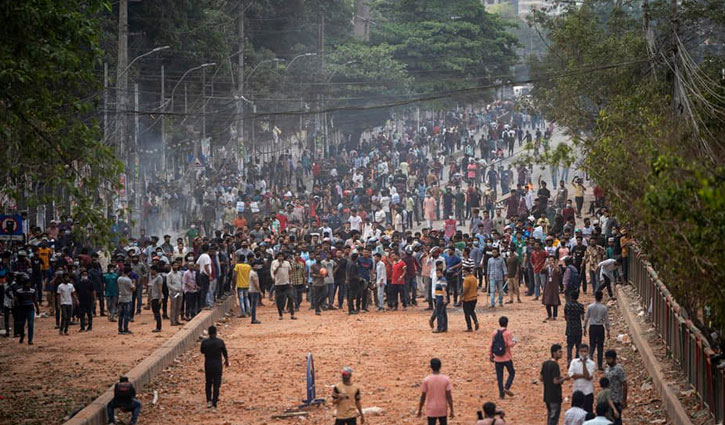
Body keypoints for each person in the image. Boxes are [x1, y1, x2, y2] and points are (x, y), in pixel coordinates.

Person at [417, 358, 454, 424]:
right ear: (440, 366)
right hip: (442, 409)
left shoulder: (427, 380)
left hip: (431, 409)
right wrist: (452, 410)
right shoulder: (446, 379)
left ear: (431, 367)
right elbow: (449, 396)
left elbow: (423, 397)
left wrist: (420, 409)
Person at [200, 325, 229, 410]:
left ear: (208, 333)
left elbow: (202, 351)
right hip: (217, 365)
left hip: (208, 364)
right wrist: (226, 361)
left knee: (208, 382)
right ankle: (214, 402)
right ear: (216, 333)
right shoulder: (220, 342)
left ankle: (208, 400)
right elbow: (225, 352)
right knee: (217, 384)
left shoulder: (205, 342)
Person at [541, 343, 571, 425]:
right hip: (555, 396)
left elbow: (541, 378)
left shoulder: (545, 363)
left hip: (547, 395)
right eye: (559, 352)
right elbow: (555, 381)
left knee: (550, 416)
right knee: (554, 418)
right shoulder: (555, 365)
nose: (561, 353)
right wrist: (565, 378)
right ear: (554, 353)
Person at [489, 316, 516, 399]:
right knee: (512, 372)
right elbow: (510, 344)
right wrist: (515, 341)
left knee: (499, 377)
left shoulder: (494, 332)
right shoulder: (508, 333)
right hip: (507, 357)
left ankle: (501, 395)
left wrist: (490, 355)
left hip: (497, 358)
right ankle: (507, 387)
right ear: (507, 323)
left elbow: (491, 345)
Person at [583, 291, 610, 370]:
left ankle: (589, 362)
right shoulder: (603, 308)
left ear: (595, 297)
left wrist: (584, 327)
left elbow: (586, 318)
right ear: (601, 297)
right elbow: (606, 320)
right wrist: (608, 330)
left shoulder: (590, 307)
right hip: (600, 327)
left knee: (592, 345)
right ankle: (600, 365)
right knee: (600, 347)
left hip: (592, 327)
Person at [568, 344, 596, 414]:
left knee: (588, 413)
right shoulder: (574, 362)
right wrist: (583, 375)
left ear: (588, 352)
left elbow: (588, 377)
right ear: (579, 352)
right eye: (582, 351)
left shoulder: (592, 364)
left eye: (585, 351)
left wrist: (584, 364)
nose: (583, 353)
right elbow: (571, 375)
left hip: (588, 392)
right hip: (577, 392)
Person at [14, 273, 40, 345]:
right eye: (27, 283)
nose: (29, 285)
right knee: (22, 324)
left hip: (30, 308)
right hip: (22, 309)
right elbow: (16, 300)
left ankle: (30, 339)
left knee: (30, 324)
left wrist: (37, 309)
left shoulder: (32, 291)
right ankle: (22, 335)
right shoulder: (19, 291)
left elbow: (34, 300)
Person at [603, 350, 627, 425]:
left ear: (614, 358)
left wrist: (624, 400)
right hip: (608, 398)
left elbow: (624, 384)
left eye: (609, 359)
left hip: (617, 399)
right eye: (606, 359)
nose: (607, 361)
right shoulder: (607, 370)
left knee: (617, 419)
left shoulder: (619, 369)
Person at [564, 290, 586, 365]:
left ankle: (569, 360)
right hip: (578, 327)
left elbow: (565, 317)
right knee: (578, 345)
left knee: (569, 346)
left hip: (570, 327)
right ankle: (577, 360)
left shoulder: (567, 305)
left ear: (570, 297)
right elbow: (583, 317)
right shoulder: (580, 306)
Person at [542, 255, 561, 321]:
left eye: (552, 260)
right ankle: (549, 315)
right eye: (550, 260)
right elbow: (542, 271)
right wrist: (545, 264)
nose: (551, 262)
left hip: (554, 286)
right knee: (547, 301)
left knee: (555, 301)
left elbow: (559, 272)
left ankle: (554, 316)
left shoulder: (557, 268)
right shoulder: (547, 268)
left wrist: (555, 266)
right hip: (548, 286)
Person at [117, 266, 135, 335]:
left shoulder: (119, 279)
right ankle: (125, 329)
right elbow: (133, 289)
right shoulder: (128, 280)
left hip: (121, 297)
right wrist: (134, 283)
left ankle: (120, 329)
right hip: (127, 298)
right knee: (126, 315)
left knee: (121, 315)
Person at [461, 267, 479, 331]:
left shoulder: (467, 279)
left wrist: (461, 296)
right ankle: (476, 321)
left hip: (467, 298)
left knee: (467, 314)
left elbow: (466, 289)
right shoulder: (474, 278)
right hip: (474, 297)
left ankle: (469, 327)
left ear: (466, 271)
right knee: (472, 311)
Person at [432, 268, 448, 333]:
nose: (437, 274)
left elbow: (443, 289)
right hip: (439, 297)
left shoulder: (442, 280)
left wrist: (444, 298)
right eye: (437, 273)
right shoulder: (439, 280)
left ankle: (439, 328)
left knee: (439, 313)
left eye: (439, 273)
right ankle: (444, 327)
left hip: (440, 298)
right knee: (443, 313)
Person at [247, 255, 261, 324]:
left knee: (252, 305)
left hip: (250, 290)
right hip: (254, 291)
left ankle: (253, 318)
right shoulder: (254, 273)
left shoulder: (250, 272)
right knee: (254, 306)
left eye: (257, 266)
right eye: (255, 266)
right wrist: (259, 290)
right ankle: (253, 319)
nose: (257, 267)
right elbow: (256, 284)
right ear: (252, 267)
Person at [149, 267, 163, 332]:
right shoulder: (154, 278)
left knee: (157, 312)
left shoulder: (159, 278)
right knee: (155, 312)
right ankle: (158, 326)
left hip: (157, 297)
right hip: (154, 296)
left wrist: (160, 298)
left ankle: (158, 327)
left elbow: (160, 288)